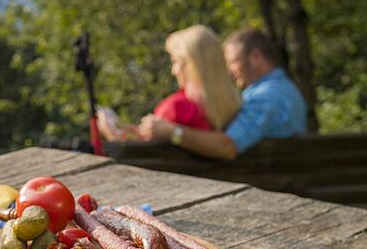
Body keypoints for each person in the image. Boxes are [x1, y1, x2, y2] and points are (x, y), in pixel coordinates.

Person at [138, 28, 307, 160]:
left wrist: (172, 132)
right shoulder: (287, 90)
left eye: (233, 62)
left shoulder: (266, 99)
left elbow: (228, 147)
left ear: (256, 57)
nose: (229, 71)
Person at [97, 25, 241, 141]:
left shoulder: (176, 108)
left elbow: (139, 158)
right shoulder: (235, 103)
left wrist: (109, 133)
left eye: (175, 62)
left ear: (191, 65)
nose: (173, 71)